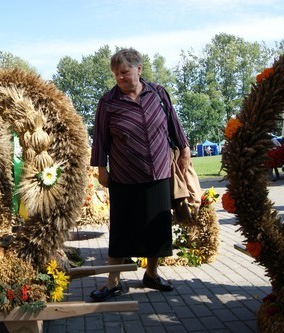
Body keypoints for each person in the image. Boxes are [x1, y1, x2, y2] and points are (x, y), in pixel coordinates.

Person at [89, 48, 191, 301]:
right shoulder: (108, 102)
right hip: (124, 176)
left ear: (139, 69)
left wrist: (185, 148)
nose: (120, 78)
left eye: (124, 72)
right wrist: (102, 169)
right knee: (122, 230)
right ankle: (113, 281)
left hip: (158, 172)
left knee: (157, 227)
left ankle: (152, 275)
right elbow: (100, 138)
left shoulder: (157, 93)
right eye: (116, 74)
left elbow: (173, 123)